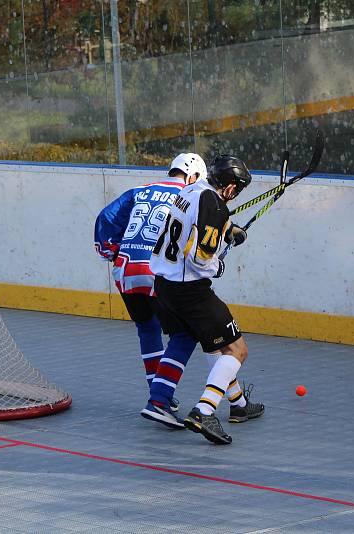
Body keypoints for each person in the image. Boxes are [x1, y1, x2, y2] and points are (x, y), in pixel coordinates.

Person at [150, 154, 264, 444]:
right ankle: (204, 411)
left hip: (163, 286)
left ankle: (238, 404)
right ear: (228, 186)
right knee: (237, 350)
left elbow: (194, 223)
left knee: (214, 345)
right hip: (190, 291)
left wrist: (228, 228)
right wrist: (218, 266)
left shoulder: (190, 190)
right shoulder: (214, 205)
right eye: (236, 188)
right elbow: (201, 257)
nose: (236, 194)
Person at [94, 153, 207, 424]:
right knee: (186, 332)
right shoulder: (191, 195)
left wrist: (111, 251)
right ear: (192, 177)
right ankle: (159, 399)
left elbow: (105, 218)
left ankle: (158, 392)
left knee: (147, 328)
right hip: (157, 273)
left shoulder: (139, 191)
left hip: (126, 270)